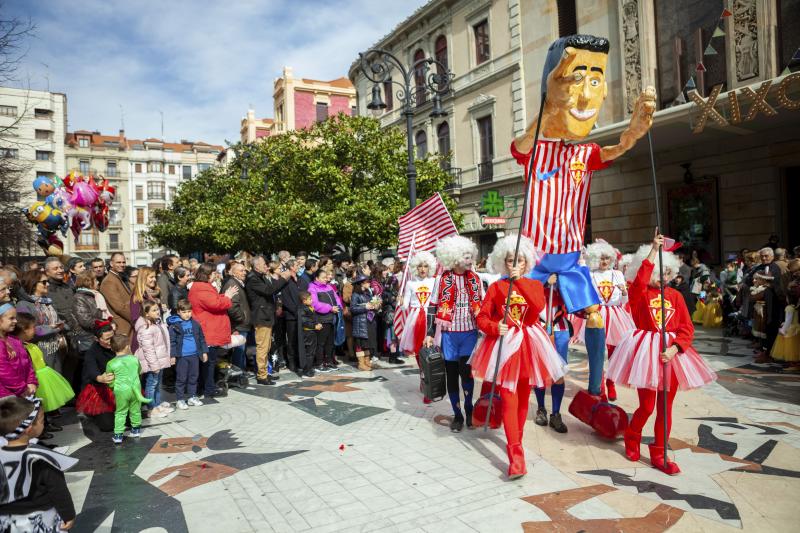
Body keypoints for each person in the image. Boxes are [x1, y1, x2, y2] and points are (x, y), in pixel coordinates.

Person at [512, 34, 655, 408]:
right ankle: (513, 382)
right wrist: (546, 106)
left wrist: (632, 135)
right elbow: (521, 147)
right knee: (518, 317)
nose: (586, 95)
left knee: (595, 317)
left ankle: (595, 390)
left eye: (595, 82)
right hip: (534, 255)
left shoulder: (585, 153)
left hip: (571, 254)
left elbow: (610, 152)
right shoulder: (536, 151)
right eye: (577, 81)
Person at [607, 232, 716, 475]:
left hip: (672, 356)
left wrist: (676, 348)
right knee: (646, 406)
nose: (665, 277)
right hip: (647, 354)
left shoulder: (676, 296)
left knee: (665, 409)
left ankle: (659, 453)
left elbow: (686, 329)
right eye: (660, 272)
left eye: (668, 273)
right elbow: (638, 285)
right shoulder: (640, 295)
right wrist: (651, 254)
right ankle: (632, 437)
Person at [470, 235, 567, 478]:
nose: (515, 264)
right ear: (504, 262)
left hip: (530, 344)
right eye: (510, 260)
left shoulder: (534, 284)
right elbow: (482, 317)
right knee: (509, 398)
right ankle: (516, 456)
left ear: (527, 263)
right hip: (504, 346)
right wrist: (494, 326)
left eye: (519, 260)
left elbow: (537, 307)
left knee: (524, 399)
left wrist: (519, 281)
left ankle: (518, 444)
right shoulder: (496, 287)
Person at [424, 235, 484, 432]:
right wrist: (430, 333)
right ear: (454, 258)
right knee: (451, 376)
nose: (467, 260)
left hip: (469, 334)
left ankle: (468, 411)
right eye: (464, 256)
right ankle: (457, 414)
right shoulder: (442, 279)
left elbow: (483, 307)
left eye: (469, 256)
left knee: (466, 374)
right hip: (449, 335)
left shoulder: (476, 279)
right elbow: (432, 307)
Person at [0, 396, 77, 532]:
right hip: (40, 520)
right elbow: (58, 491)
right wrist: (68, 515)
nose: (44, 424)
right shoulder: (41, 458)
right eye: (41, 421)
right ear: (29, 429)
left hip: (6, 522)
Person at [580, 240, 635, 401]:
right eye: (601, 258)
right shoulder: (591, 275)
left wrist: (625, 292)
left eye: (607, 258)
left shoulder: (617, 274)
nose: (604, 262)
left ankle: (611, 383)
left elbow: (623, 301)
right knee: (597, 353)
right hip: (597, 315)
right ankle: (599, 384)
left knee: (614, 353)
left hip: (616, 316)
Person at [14, 312, 73, 432]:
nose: (35, 331)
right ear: (23, 330)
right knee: (37, 405)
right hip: (36, 379)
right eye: (32, 328)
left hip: (42, 376)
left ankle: (45, 423)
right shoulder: (21, 348)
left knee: (43, 404)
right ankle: (40, 429)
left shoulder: (30, 344)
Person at [188, 263, 238, 398]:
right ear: (207, 274)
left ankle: (204, 388)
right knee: (208, 363)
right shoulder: (202, 289)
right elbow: (215, 304)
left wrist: (224, 296)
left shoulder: (202, 287)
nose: (216, 275)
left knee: (208, 362)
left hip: (208, 330)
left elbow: (214, 300)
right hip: (208, 331)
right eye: (214, 273)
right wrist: (227, 296)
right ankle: (208, 389)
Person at [398, 251, 438, 400]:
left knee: (430, 352)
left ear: (430, 267)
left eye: (426, 266)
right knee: (419, 353)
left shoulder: (434, 281)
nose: (422, 269)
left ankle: (430, 380)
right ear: (416, 267)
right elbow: (405, 306)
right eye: (420, 266)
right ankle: (424, 377)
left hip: (430, 318)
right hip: (415, 319)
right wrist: (401, 302)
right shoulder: (410, 283)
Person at [534, 274, 570, 433]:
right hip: (539, 328)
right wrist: (544, 282)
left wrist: (561, 282)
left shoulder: (564, 275)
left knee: (558, 373)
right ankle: (541, 409)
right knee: (539, 373)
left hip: (560, 329)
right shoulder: (535, 276)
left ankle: (556, 413)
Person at [245, 255, 289, 384]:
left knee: (267, 346)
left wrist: (282, 280)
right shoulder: (253, 279)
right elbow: (269, 290)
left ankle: (265, 372)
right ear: (257, 266)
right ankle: (262, 375)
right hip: (261, 317)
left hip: (267, 315)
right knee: (262, 347)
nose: (267, 266)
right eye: (264, 264)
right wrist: (284, 278)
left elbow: (273, 288)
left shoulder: (260, 276)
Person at [16, 270, 68, 375]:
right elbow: (27, 330)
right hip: (38, 350)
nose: (47, 284)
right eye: (44, 282)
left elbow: (57, 321)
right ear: (33, 284)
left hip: (55, 349)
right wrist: (55, 328)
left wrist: (64, 326)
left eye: (47, 281)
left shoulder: (47, 302)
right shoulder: (23, 304)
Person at [107, 333, 151, 444]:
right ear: (127, 346)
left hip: (121, 391)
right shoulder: (134, 359)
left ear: (111, 348)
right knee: (135, 411)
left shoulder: (111, 363)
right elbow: (139, 371)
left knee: (120, 412)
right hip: (135, 389)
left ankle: (118, 436)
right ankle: (136, 430)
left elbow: (110, 380)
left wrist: (112, 387)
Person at [134, 301, 173, 418]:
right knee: (151, 385)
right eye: (154, 310)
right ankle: (151, 408)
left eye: (158, 309)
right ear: (146, 314)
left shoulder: (156, 323)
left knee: (157, 384)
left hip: (159, 360)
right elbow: (148, 349)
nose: (158, 312)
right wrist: (154, 365)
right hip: (153, 363)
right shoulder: (146, 328)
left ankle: (157, 404)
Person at [167, 299, 208, 409]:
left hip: (194, 355)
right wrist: (173, 355)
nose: (187, 314)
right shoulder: (175, 326)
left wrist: (204, 351)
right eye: (184, 312)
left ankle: (192, 397)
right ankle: (180, 399)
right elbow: (172, 342)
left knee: (193, 377)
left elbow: (201, 338)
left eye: (189, 311)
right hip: (182, 357)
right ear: (179, 312)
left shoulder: (195, 324)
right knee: (181, 378)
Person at [281, 259, 313, 377]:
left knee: (302, 341)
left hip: (303, 316)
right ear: (291, 267)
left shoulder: (302, 281)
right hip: (292, 317)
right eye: (297, 265)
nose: (299, 266)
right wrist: (296, 312)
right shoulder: (286, 282)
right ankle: (292, 363)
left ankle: (302, 363)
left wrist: (305, 312)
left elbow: (306, 297)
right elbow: (286, 300)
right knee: (292, 340)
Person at [308, 268, 344, 372]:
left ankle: (328, 361)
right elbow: (314, 304)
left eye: (326, 277)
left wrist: (338, 306)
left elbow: (337, 298)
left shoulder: (329, 286)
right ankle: (319, 363)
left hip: (332, 318)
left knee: (330, 342)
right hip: (322, 319)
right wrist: (329, 308)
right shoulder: (312, 288)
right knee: (321, 343)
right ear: (317, 278)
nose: (326, 279)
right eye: (323, 277)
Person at [0, 304, 38, 400]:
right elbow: (4, 371)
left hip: (23, 392)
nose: (15, 321)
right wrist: (22, 389)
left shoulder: (14, 340)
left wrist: (31, 381)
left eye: (15, 318)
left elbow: (28, 363)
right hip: (6, 397)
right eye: (11, 318)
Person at [72, 271, 113, 356]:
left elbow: (103, 313)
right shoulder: (79, 297)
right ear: (89, 282)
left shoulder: (96, 295)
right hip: (88, 337)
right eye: (96, 280)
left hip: (99, 335)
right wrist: (105, 323)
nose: (98, 282)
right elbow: (85, 320)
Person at [222, 261, 251, 375]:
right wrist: (242, 319)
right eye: (241, 270)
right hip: (238, 325)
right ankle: (238, 375)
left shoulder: (238, 283)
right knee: (239, 351)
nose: (244, 273)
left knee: (241, 351)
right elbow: (232, 307)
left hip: (242, 324)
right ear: (234, 273)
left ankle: (241, 373)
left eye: (245, 270)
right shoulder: (232, 284)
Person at [350, 274, 380, 371]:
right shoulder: (355, 295)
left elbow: (372, 303)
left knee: (367, 343)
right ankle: (361, 363)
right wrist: (365, 307)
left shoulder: (368, 293)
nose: (369, 283)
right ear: (361, 284)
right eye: (367, 282)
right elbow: (353, 308)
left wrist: (375, 305)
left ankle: (367, 361)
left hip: (369, 321)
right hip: (360, 322)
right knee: (360, 343)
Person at [129, 266, 161, 352]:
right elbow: (135, 318)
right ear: (143, 278)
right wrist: (149, 323)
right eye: (151, 277)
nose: (154, 279)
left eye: (155, 277)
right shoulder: (138, 295)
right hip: (145, 336)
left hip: (156, 335)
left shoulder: (155, 294)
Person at [100, 252, 132, 336]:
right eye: (118, 262)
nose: (122, 264)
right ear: (111, 263)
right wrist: (136, 318)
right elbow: (119, 307)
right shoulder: (109, 281)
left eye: (123, 262)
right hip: (122, 326)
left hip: (127, 324)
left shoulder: (118, 277)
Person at [299, 291, 321, 375]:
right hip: (308, 333)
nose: (312, 300)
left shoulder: (310, 308)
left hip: (312, 332)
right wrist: (314, 326)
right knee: (309, 352)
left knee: (312, 352)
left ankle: (309, 368)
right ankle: (306, 370)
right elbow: (304, 321)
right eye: (310, 299)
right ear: (304, 301)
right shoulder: (302, 309)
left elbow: (313, 319)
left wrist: (317, 324)